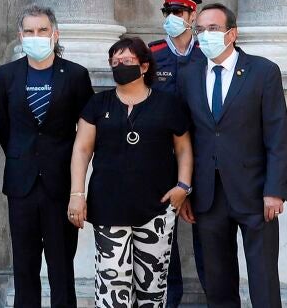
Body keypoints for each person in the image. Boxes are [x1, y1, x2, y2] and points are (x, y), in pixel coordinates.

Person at [177, 4, 287, 308]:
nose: (205, 35)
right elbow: (183, 138)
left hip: (255, 192)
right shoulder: (188, 75)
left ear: (232, 33)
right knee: (217, 280)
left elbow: (277, 135)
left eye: (213, 29)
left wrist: (275, 190)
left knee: (263, 277)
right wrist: (184, 190)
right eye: (200, 30)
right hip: (207, 195)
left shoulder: (263, 72)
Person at [68, 36, 193, 308]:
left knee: (152, 288)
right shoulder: (98, 104)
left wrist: (183, 187)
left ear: (144, 66)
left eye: (126, 60)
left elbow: (183, 148)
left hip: (156, 209)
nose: (119, 66)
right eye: (114, 62)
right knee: (112, 286)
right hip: (108, 208)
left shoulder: (167, 104)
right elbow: (82, 149)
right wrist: (77, 194)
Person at [0, 7, 92, 308]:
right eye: (29, 31)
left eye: (42, 30)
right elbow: (3, 126)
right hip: (21, 183)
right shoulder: (7, 75)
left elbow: (87, 131)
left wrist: (77, 189)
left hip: (60, 184)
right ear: (20, 35)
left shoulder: (75, 75)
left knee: (61, 265)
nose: (35, 36)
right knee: (24, 266)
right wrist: (23, 156)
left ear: (55, 34)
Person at [149, 0, 204, 308]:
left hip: (204, 154)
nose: (172, 18)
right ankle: (170, 300)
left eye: (178, 12)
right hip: (164, 156)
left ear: (192, 16)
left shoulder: (207, 53)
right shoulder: (152, 54)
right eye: (167, 12)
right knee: (162, 237)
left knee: (207, 234)